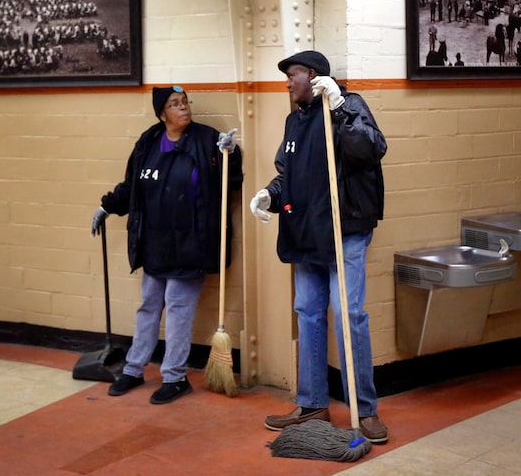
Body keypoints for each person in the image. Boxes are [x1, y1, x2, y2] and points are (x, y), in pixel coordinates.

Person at [250, 50, 389, 444]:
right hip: (306, 231)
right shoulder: (295, 121)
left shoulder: (349, 106)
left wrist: (341, 107)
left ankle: (365, 410)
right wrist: (269, 195)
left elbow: (370, 149)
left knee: (349, 316)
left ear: (311, 76)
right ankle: (312, 403)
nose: (287, 83)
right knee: (308, 312)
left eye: (291, 76)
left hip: (344, 229)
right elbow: (287, 174)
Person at [91, 86, 243, 404]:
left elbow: (232, 179)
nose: (183, 108)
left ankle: (174, 377)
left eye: (185, 102)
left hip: (193, 243)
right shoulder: (148, 142)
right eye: (175, 104)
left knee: (177, 306)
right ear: (162, 114)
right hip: (155, 242)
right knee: (149, 304)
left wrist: (230, 152)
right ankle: (133, 369)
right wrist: (107, 206)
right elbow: (132, 186)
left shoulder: (206, 139)